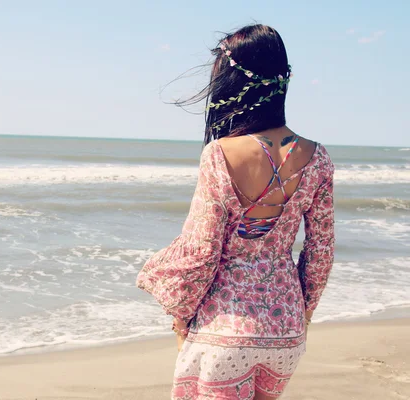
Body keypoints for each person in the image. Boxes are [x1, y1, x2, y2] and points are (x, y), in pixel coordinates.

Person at [136, 24, 335, 399]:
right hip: (286, 332)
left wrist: (180, 316)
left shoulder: (221, 154)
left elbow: (202, 251)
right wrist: (303, 315)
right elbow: (320, 253)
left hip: (224, 329)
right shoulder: (318, 157)